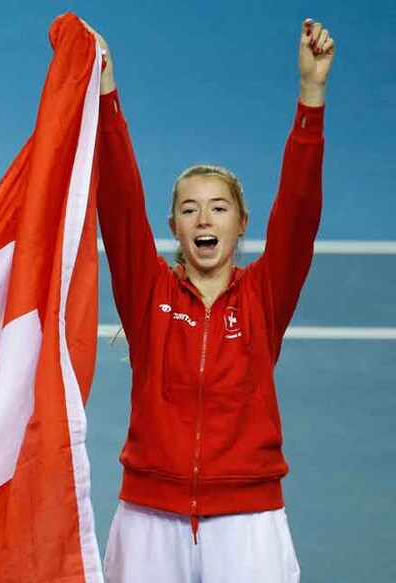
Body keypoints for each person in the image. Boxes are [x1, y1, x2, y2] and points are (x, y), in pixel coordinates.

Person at [88, 18, 334, 582]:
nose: (204, 218)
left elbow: (299, 211)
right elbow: (119, 201)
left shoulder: (264, 296)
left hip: (248, 522)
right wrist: (106, 93)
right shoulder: (147, 291)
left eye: (218, 208)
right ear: (172, 225)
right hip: (149, 519)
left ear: (242, 224)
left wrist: (311, 96)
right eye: (191, 208)